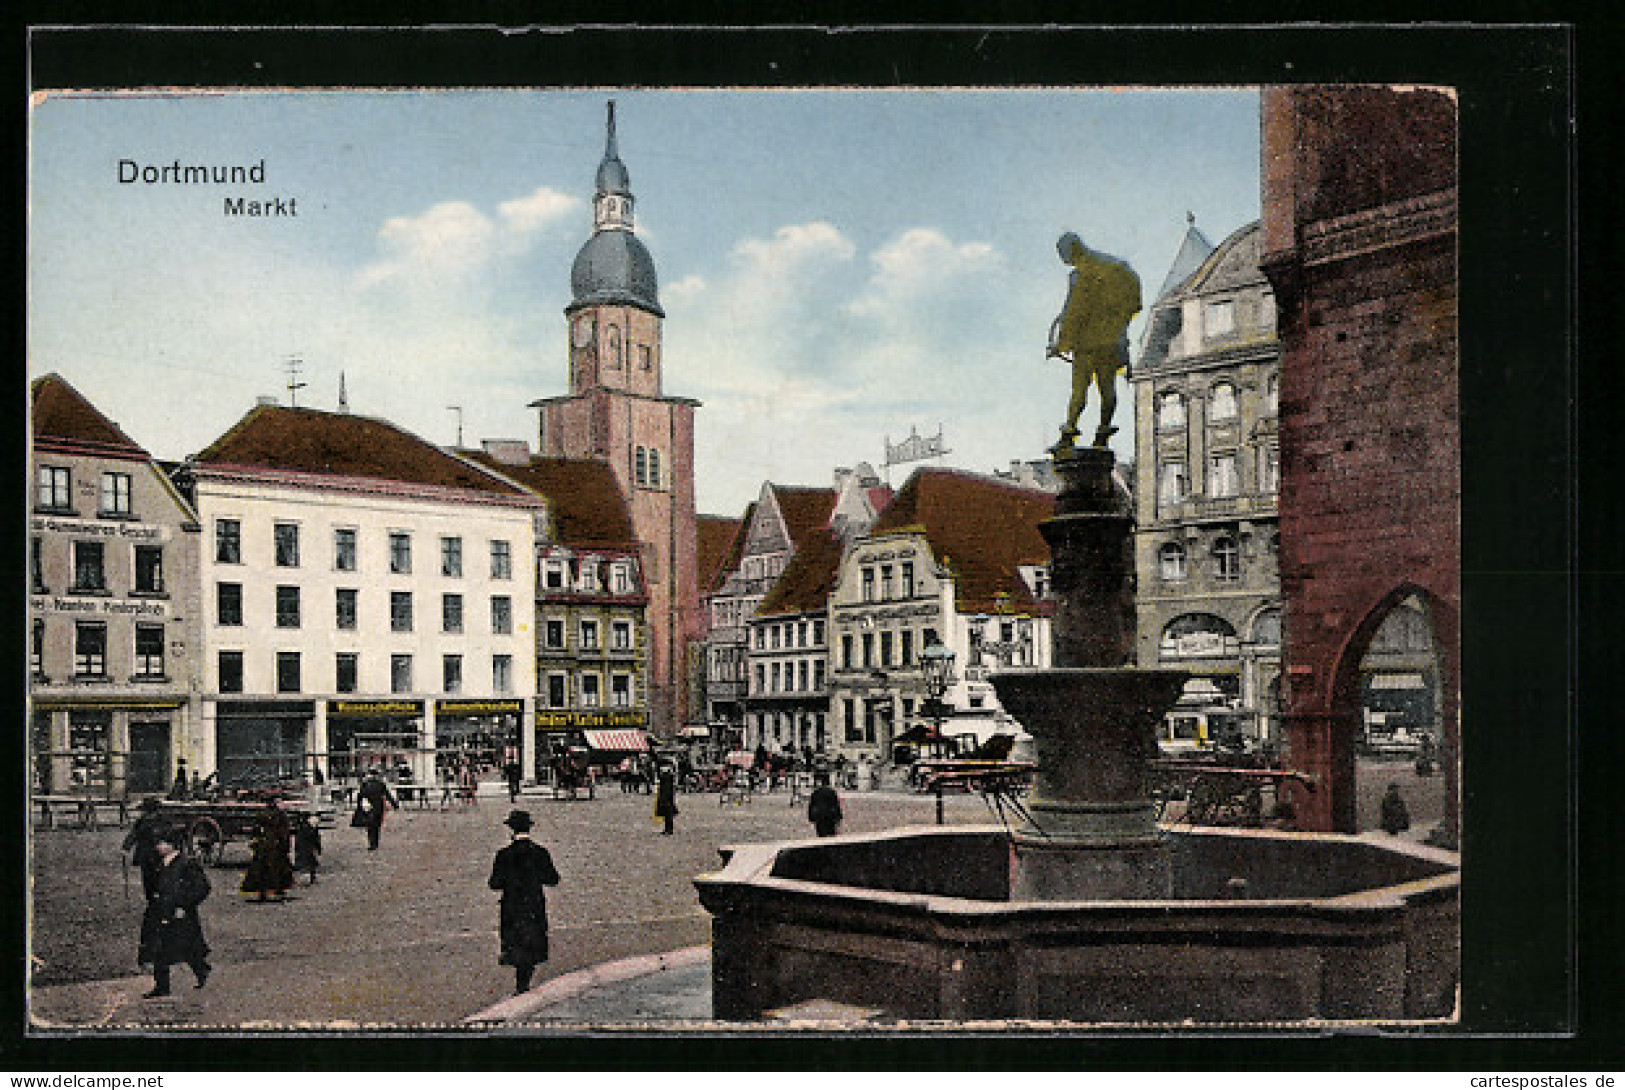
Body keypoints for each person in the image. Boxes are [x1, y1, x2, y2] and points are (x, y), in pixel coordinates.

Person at [1046, 231, 1142, 450]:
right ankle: (1103, 433)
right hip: (1110, 343)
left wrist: (1059, 346)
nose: (1064, 260)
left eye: (1063, 255)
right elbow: (1133, 304)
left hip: (1087, 345)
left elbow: (1072, 312)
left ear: (1071, 250)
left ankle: (1069, 433)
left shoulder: (1079, 276)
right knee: (1107, 391)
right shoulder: (1116, 267)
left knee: (1079, 392)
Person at [488, 809, 560, 995]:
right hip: (534, 905)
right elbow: (552, 879)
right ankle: (524, 982)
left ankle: (521, 985)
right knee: (532, 942)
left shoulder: (504, 855)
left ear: (511, 829)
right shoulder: (540, 852)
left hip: (512, 906)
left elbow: (494, 883)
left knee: (516, 942)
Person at [137, 824, 211, 998]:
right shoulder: (159, 863)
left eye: (162, 843)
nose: (158, 847)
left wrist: (184, 905)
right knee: (159, 949)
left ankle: (202, 972)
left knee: (188, 948)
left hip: (180, 913)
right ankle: (162, 986)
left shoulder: (186, 863)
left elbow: (203, 887)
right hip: (161, 911)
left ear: (173, 845)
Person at [240, 799, 295, 901]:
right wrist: (286, 846)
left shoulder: (262, 815)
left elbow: (255, 829)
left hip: (264, 844)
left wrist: (256, 841)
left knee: (261, 869)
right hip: (275, 844)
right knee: (277, 868)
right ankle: (278, 889)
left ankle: (262, 891)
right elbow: (284, 832)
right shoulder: (280, 816)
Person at [122, 798, 167, 900]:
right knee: (149, 878)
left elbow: (134, 834)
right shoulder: (144, 821)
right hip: (149, 854)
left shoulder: (160, 821)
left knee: (155, 877)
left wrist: (126, 847)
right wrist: (126, 847)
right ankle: (152, 899)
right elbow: (134, 834)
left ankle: (155, 898)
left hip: (155, 854)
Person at [354, 768, 399, 851]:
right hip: (378, 806)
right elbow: (387, 795)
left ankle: (372, 843)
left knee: (370, 825)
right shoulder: (380, 784)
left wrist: (359, 806)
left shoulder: (365, 784)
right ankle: (375, 842)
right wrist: (395, 805)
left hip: (368, 806)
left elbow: (360, 795)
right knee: (376, 825)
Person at [807, 772, 843, 837]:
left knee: (821, 836)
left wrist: (811, 817)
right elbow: (835, 806)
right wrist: (838, 818)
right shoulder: (831, 792)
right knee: (831, 836)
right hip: (830, 818)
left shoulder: (815, 793)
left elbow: (812, 806)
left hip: (820, 818)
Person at [292, 811, 322, 885]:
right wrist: (318, 847)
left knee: (306, 862)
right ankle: (310, 878)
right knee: (310, 862)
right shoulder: (310, 828)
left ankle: (308, 878)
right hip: (307, 848)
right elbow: (316, 838)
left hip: (304, 848)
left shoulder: (301, 828)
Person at [654, 766, 679, 835]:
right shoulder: (668, 778)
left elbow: (666, 790)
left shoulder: (666, 779)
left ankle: (669, 829)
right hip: (668, 798)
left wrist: (663, 799)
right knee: (667, 815)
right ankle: (667, 829)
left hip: (666, 799)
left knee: (668, 814)